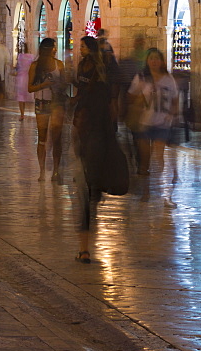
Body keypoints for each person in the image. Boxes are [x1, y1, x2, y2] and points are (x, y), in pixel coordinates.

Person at [72, 36, 118, 264]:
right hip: (85, 135)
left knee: (87, 194)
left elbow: (109, 106)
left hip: (94, 135)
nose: (79, 49)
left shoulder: (100, 79)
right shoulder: (83, 67)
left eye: (81, 46)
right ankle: (84, 247)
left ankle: (84, 247)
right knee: (86, 194)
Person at [128, 49, 179, 186]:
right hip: (144, 121)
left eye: (157, 58)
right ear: (147, 61)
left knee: (158, 154)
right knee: (144, 156)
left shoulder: (169, 79)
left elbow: (175, 99)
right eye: (151, 58)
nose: (154, 61)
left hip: (162, 122)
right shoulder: (141, 78)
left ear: (161, 61)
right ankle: (145, 188)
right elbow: (131, 96)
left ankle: (157, 184)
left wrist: (172, 115)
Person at [28, 38, 67, 183]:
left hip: (57, 103)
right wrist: (44, 84)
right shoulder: (35, 66)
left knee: (57, 138)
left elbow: (64, 84)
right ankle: (42, 171)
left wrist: (61, 84)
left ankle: (56, 171)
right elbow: (30, 88)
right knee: (42, 138)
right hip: (42, 102)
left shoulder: (59, 64)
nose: (55, 50)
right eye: (53, 47)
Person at [14, 42, 35, 120]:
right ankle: (30, 114)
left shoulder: (20, 56)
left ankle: (22, 114)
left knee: (21, 97)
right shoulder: (31, 56)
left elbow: (17, 67)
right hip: (28, 77)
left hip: (21, 78)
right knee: (28, 96)